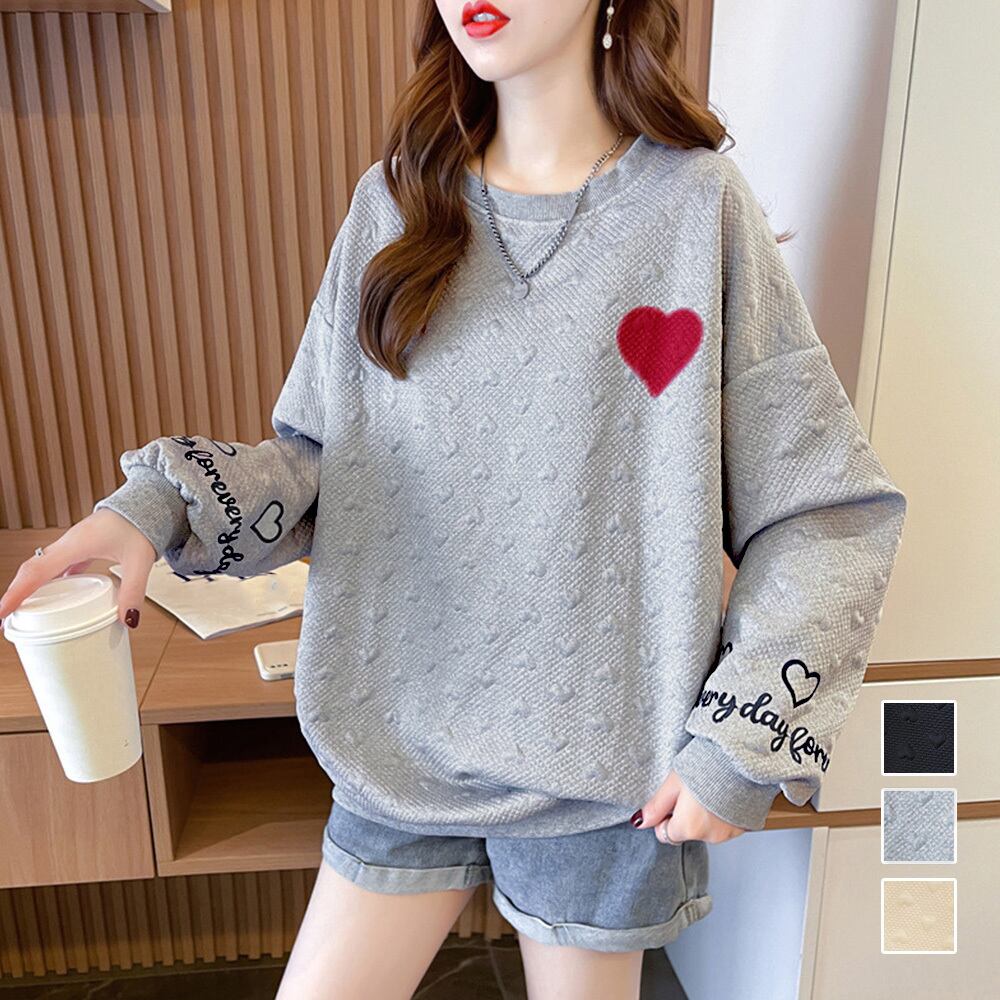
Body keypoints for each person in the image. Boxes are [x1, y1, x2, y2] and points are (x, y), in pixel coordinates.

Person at [0, 1, 907, 997]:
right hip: (399, 736)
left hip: (604, 772)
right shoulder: (394, 204)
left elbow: (823, 511)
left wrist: (740, 745)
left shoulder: (696, 211)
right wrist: (154, 508)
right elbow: (320, 466)